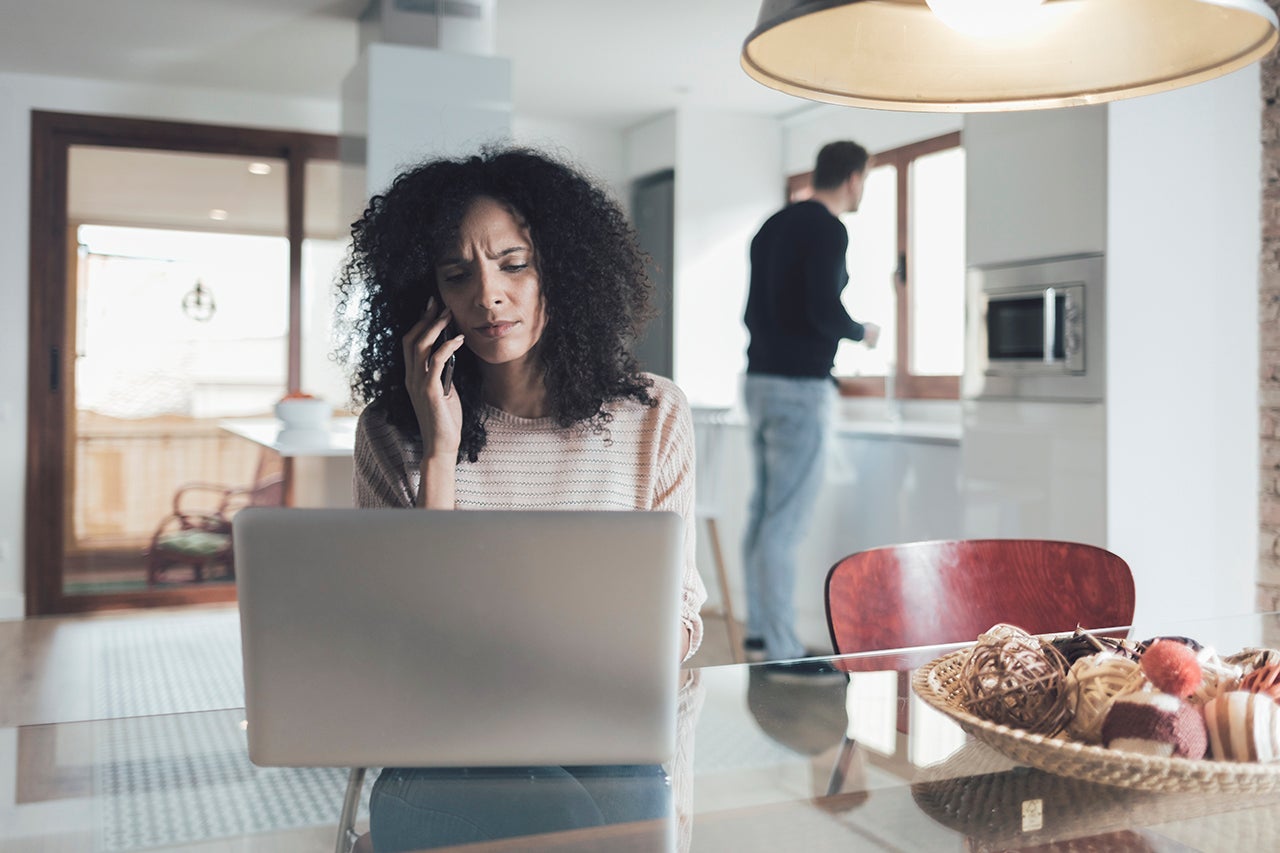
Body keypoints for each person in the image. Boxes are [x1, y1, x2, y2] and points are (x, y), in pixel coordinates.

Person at [334, 145, 707, 852]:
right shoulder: (391, 430)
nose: (487, 295)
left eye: (514, 263)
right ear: (428, 292)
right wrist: (439, 452)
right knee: (600, 820)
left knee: (612, 796)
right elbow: (406, 634)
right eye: (456, 273)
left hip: (602, 724)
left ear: (561, 269)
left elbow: (681, 614)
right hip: (449, 735)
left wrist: (620, 654)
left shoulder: (655, 414)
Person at [740, 140, 880, 673]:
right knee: (785, 522)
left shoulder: (773, 224)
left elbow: (759, 309)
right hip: (799, 387)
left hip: (759, 381)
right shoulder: (827, 228)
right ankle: (782, 651)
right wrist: (861, 332)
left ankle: (758, 633)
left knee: (762, 515)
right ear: (853, 179)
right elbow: (823, 311)